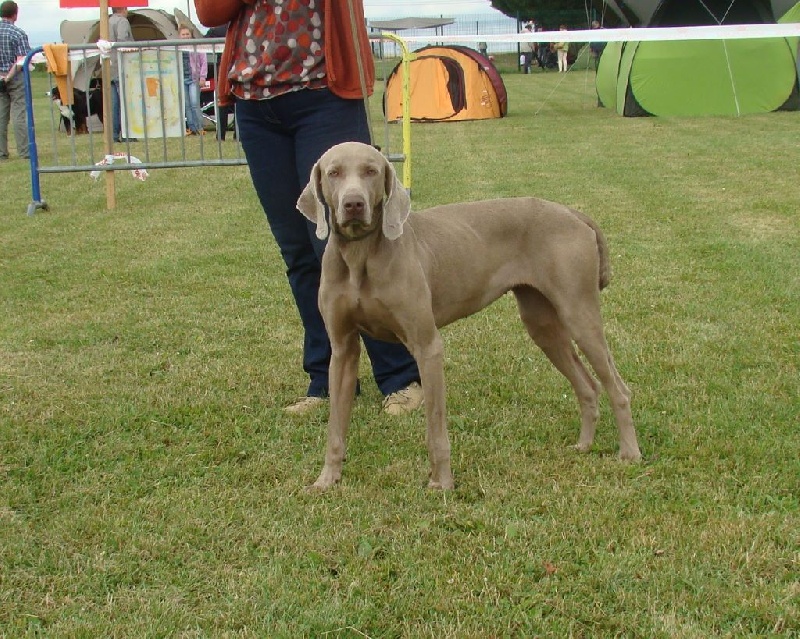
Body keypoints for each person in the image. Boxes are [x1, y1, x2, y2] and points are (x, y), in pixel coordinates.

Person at [194, 0, 423, 415]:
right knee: (299, 248)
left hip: (324, 95)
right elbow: (209, 14)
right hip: (255, 102)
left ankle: (401, 376)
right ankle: (327, 379)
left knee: (360, 244)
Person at [0, 0, 30, 160]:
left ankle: (2, 152)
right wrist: (9, 77)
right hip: (16, 76)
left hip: (0, 76)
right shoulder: (18, 33)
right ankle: (24, 151)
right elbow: (22, 60)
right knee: (19, 114)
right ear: (15, 14)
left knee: (1, 115)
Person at [108, 6, 135, 143]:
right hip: (122, 66)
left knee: (114, 104)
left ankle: (113, 134)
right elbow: (123, 41)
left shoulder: (106, 21)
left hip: (110, 67)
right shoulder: (122, 22)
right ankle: (126, 134)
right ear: (123, 8)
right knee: (125, 102)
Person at [205, 23, 234, 140]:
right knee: (238, 100)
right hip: (238, 66)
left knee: (223, 100)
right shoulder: (241, 24)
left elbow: (204, 41)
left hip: (223, 67)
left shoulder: (216, 29)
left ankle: (221, 135)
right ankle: (238, 135)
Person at [178, 25, 206, 136]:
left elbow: (203, 62)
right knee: (187, 105)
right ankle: (191, 127)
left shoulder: (197, 46)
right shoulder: (177, 47)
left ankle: (200, 127)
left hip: (194, 78)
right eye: (183, 34)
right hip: (182, 78)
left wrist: (203, 77)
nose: (185, 36)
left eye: (187, 34)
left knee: (195, 103)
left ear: (191, 35)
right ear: (179, 36)